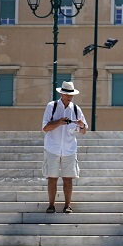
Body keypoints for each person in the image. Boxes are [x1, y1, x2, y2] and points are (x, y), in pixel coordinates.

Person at [41, 81, 88, 213]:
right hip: (52, 147)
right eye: (67, 94)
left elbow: (84, 131)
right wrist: (59, 122)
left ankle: (68, 205)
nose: (69, 97)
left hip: (69, 149)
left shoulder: (76, 109)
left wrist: (81, 125)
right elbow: (45, 127)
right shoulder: (52, 106)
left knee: (68, 178)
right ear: (61, 94)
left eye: (71, 94)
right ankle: (51, 205)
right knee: (52, 178)